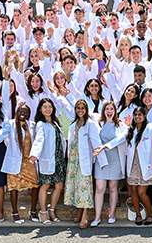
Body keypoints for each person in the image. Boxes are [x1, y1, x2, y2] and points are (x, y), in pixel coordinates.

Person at [95, 106, 152, 226]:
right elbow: (118, 140)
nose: (137, 117)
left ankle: (150, 214)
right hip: (132, 165)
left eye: (140, 115)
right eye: (135, 115)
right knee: (134, 192)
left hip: (144, 165)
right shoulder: (130, 130)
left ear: (145, 116)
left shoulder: (149, 128)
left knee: (142, 192)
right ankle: (138, 214)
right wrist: (104, 146)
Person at [0, 104, 38, 224]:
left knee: (34, 186)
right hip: (14, 161)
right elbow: (0, 135)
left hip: (29, 161)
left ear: (29, 114)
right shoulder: (10, 124)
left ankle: (33, 211)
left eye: (26, 111)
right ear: (16, 112)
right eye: (21, 111)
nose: (23, 113)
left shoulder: (32, 125)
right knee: (14, 188)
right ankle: (15, 213)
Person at [63, 100, 107, 229]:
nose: (80, 110)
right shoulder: (73, 125)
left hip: (84, 160)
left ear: (86, 109)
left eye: (83, 108)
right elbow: (70, 143)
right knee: (75, 187)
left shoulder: (90, 125)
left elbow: (96, 142)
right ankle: (79, 209)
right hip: (73, 161)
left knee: (85, 188)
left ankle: (85, 214)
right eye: (78, 108)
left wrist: (102, 161)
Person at [29, 98, 67, 225]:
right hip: (48, 158)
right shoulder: (41, 124)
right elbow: (39, 139)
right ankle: (43, 212)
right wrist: (35, 154)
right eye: (45, 107)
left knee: (59, 185)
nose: (48, 109)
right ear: (40, 109)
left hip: (59, 159)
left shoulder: (55, 123)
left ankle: (52, 210)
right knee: (45, 185)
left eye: (50, 106)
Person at [93, 101, 128, 226]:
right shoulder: (98, 123)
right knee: (100, 188)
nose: (109, 111)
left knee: (113, 188)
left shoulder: (121, 126)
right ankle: (97, 217)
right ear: (103, 111)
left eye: (111, 109)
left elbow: (123, 138)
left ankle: (111, 214)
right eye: (107, 109)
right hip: (101, 160)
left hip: (115, 159)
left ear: (115, 111)